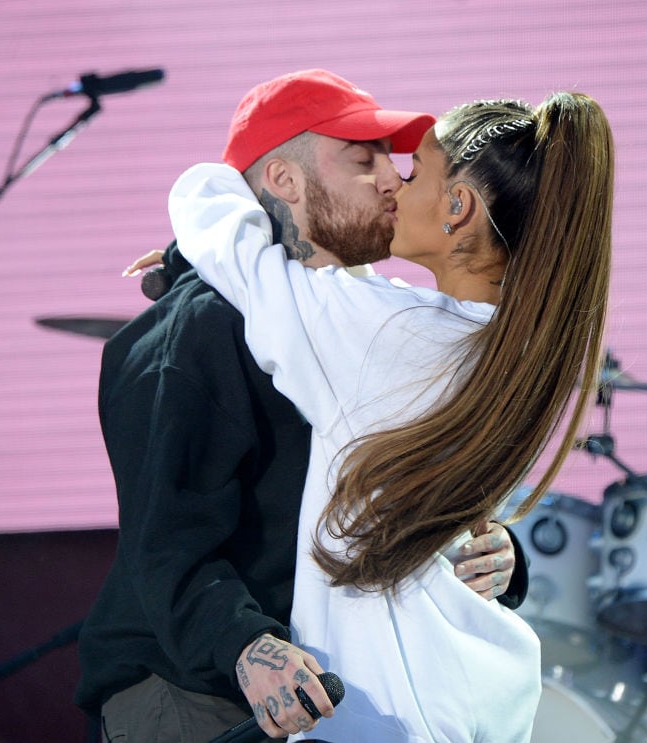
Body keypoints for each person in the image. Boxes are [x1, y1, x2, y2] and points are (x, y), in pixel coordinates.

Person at [75, 69, 525, 743]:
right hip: (199, 695)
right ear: (284, 180)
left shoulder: (364, 324)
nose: (393, 180)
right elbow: (167, 545)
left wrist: (497, 554)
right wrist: (245, 644)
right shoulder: (198, 330)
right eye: (363, 160)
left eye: (393, 160)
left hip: (324, 693)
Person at [169, 92, 615, 741]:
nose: (392, 186)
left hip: (389, 708)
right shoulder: (510, 349)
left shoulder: (385, 335)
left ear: (458, 207)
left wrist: (199, 210)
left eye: (413, 173)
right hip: (476, 692)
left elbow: (226, 239)